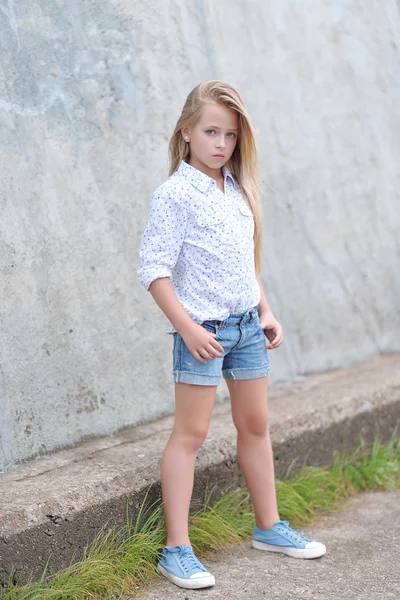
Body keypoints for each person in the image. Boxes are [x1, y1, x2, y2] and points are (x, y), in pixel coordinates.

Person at [137, 80, 326, 590]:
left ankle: (269, 526)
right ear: (187, 132)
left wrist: (265, 311)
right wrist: (188, 328)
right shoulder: (174, 195)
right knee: (191, 435)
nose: (222, 143)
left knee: (256, 425)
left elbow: (245, 265)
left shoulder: (237, 190)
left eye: (231, 135)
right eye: (211, 131)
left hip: (246, 329)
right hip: (203, 331)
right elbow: (153, 270)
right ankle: (176, 550)